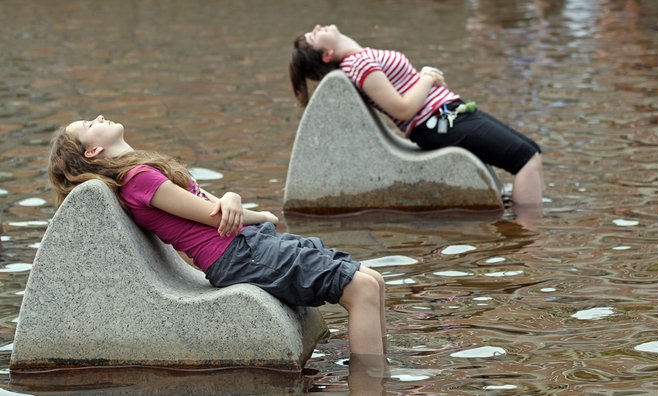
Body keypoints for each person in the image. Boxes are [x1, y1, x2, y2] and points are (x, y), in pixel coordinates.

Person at [47, 115, 387, 357]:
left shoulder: (142, 172)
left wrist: (258, 215)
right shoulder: (137, 180)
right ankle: (372, 384)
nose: (100, 117)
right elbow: (215, 214)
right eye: (90, 126)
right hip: (237, 254)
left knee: (374, 279)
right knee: (363, 288)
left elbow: (213, 204)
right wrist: (234, 200)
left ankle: (377, 374)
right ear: (91, 152)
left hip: (247, 243)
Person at [289, 24, 545, 209]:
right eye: (314, 35)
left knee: (531, 152)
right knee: (526, 161)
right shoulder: (359, 64)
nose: (318, 26)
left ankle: (522, 229)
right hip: (438, 122)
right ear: (326, 54)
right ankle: (528, 239)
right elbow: (402, 109)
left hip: (447, 115)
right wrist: (428, 77)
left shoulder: (360, 59)